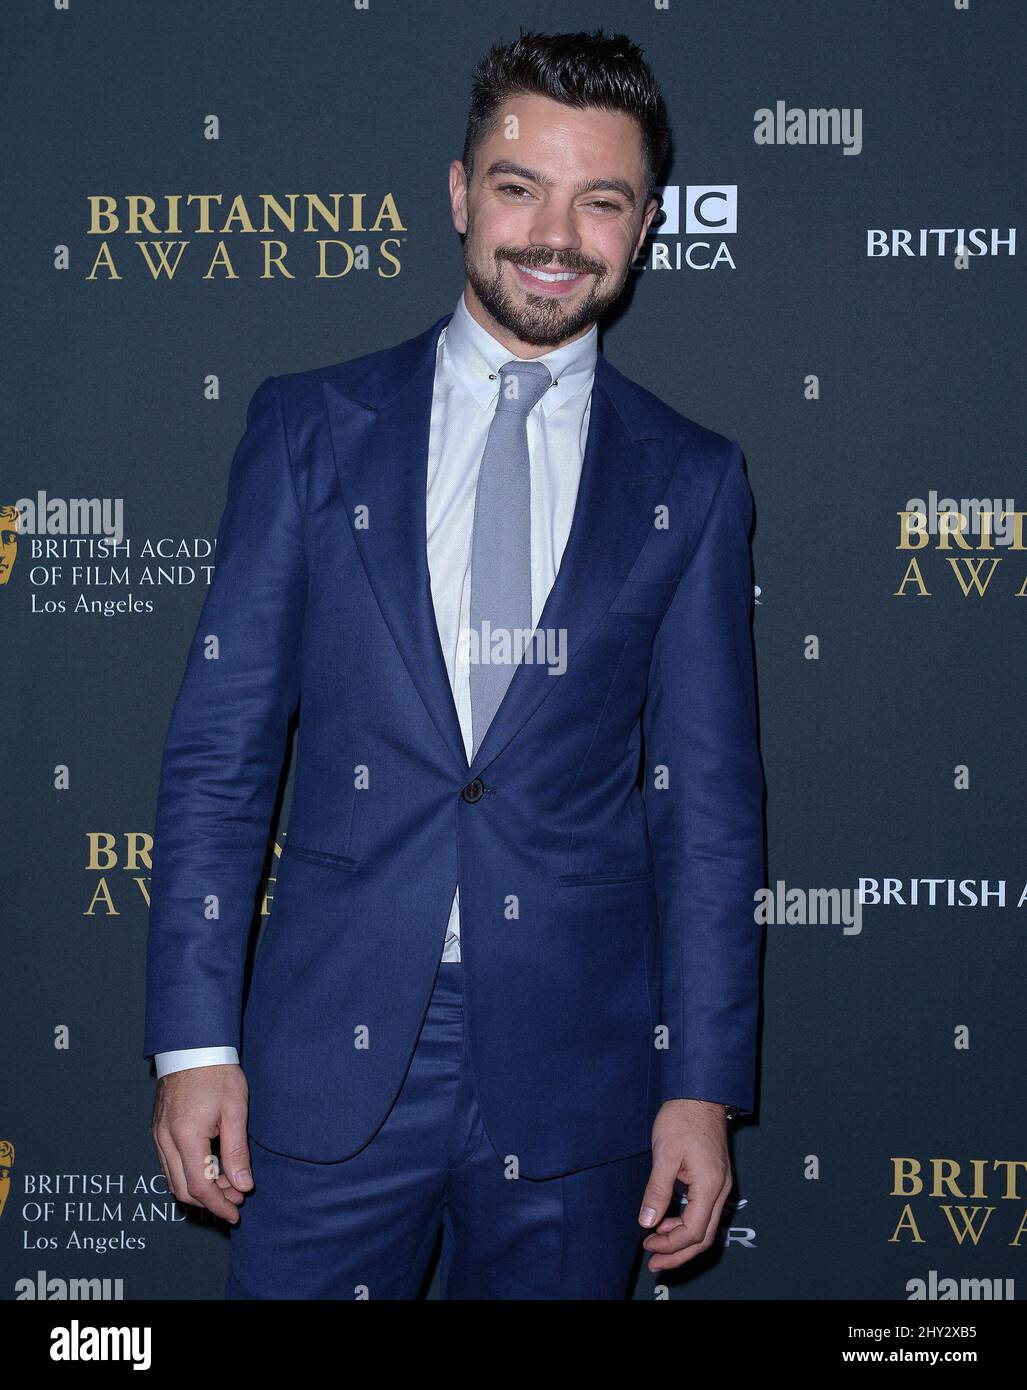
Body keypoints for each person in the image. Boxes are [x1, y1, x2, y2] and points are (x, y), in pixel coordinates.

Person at [145, 27, 765, 1300]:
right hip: (326, 1052)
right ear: (458, 192)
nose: (554, 232)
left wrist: (697, 1083)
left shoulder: (691, 481)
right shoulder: (311, 429)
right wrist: (192, 1042)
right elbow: (221, 756)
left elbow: (709, 814)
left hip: (580, 1071)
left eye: (602, 199)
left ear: (646, 226)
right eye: (519, 184)